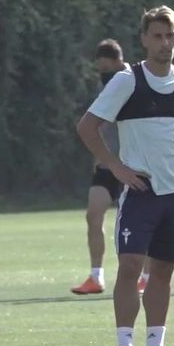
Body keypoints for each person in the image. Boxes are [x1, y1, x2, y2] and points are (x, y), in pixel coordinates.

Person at [76, 5, 174, 346]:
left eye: (172, 36)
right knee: (131, 266)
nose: (166, 43)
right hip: (141, 191)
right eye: (158, 36)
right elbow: (87, 127)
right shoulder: (127, 80)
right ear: (144, 39)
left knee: (163, 270)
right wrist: (115, 167)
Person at [71, 39, 150, 295]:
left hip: (134, 165)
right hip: (107, 164)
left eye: (107, 68)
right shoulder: (102, 87)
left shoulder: (136, 81)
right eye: (100, 69)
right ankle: (96, 277)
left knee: (141, 222)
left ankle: (146, 276)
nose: (103, 74)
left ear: (119, 62)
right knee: (93, 214)